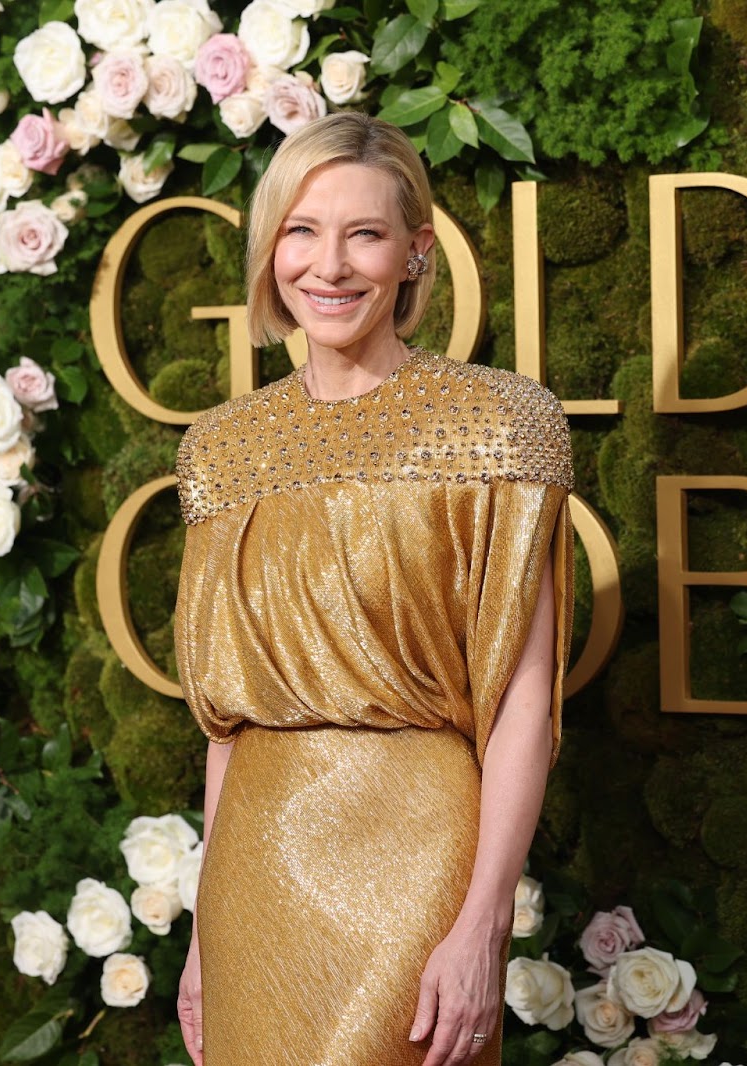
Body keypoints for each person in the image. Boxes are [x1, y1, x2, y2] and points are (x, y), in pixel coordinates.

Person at [171, 111, 574, 1066]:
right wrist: (198, 938)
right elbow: (230, 728)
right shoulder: (219, 452)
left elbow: (526, 701)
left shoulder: (504, 424)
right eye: (302, 231)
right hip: (255, 875)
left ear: (414, 254)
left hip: (421, 850)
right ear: (272, 249)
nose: (329, 265)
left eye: (364, 234)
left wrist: (483, 923)